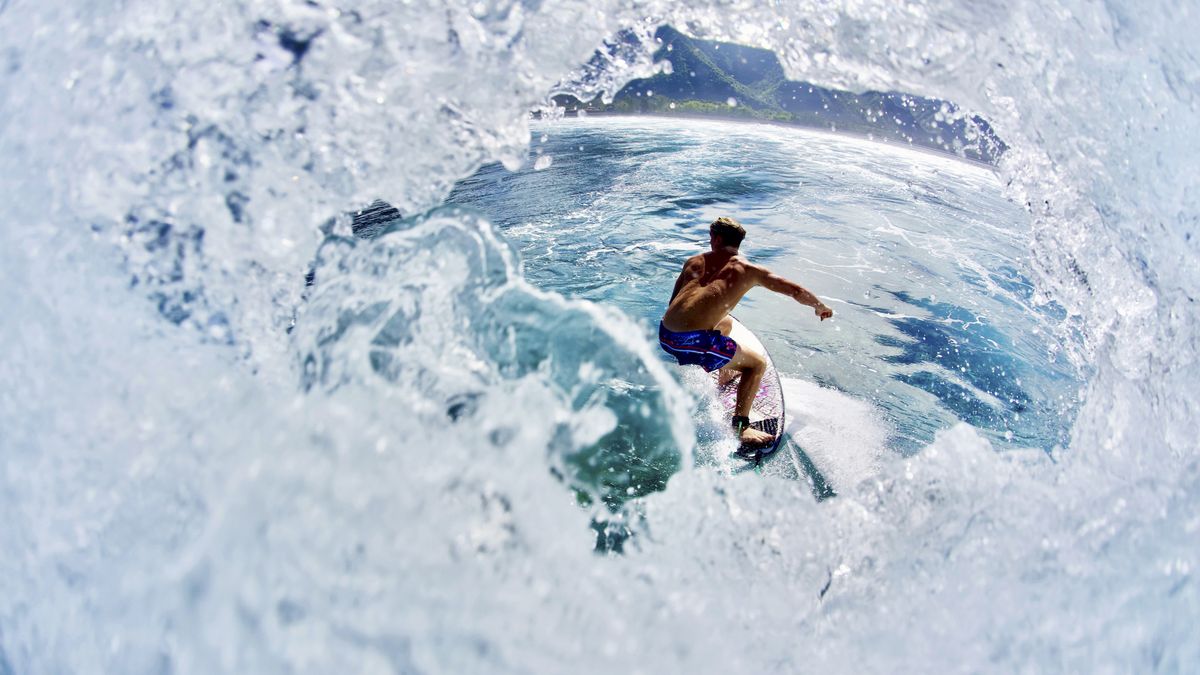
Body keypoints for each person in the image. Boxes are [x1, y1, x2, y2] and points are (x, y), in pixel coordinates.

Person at [659, 216, 833, 447]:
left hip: (666, 335)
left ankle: (724, 373)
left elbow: (673, 304)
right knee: (757, 365)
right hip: (692, 343)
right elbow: (796, 291)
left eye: (711, 237)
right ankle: (742, 427)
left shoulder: (693, 261)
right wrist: (820, 307)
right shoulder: (749, 270)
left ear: (717, 238)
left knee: (726, 324)